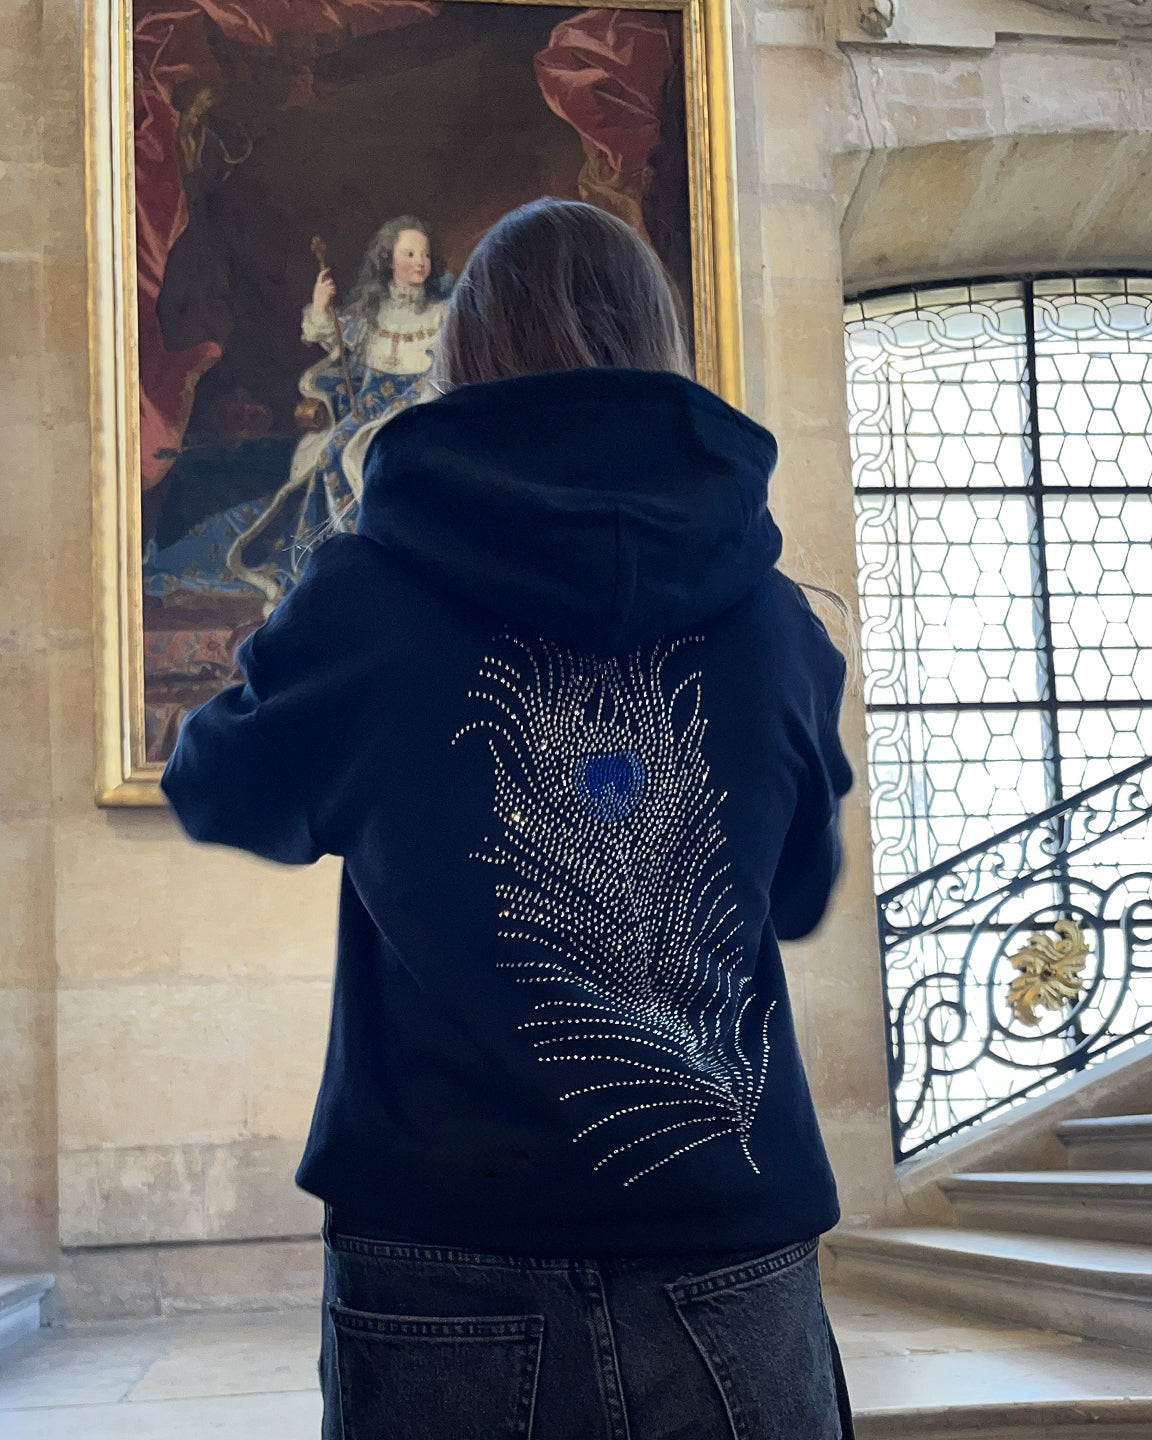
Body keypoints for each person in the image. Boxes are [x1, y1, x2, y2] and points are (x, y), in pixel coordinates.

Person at [161, 197, 856, 1440]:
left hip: (444, 1251)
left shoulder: (368, 596)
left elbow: (216, 783)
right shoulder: (774, 622)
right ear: (660, 343)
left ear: (463, 351)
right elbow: (799, 891)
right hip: (725, 1243)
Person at [226, 215, 449, 609]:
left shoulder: (442, 314)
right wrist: (320, 304)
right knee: (334, 452)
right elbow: (327, 335)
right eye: (410, 254)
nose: (420, 263)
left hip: (417, 413)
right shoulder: (371, 314)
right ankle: (341, 562)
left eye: (425, 255)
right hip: (367, 410)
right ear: (388, 260)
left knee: (374, 454)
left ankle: (387, 565)